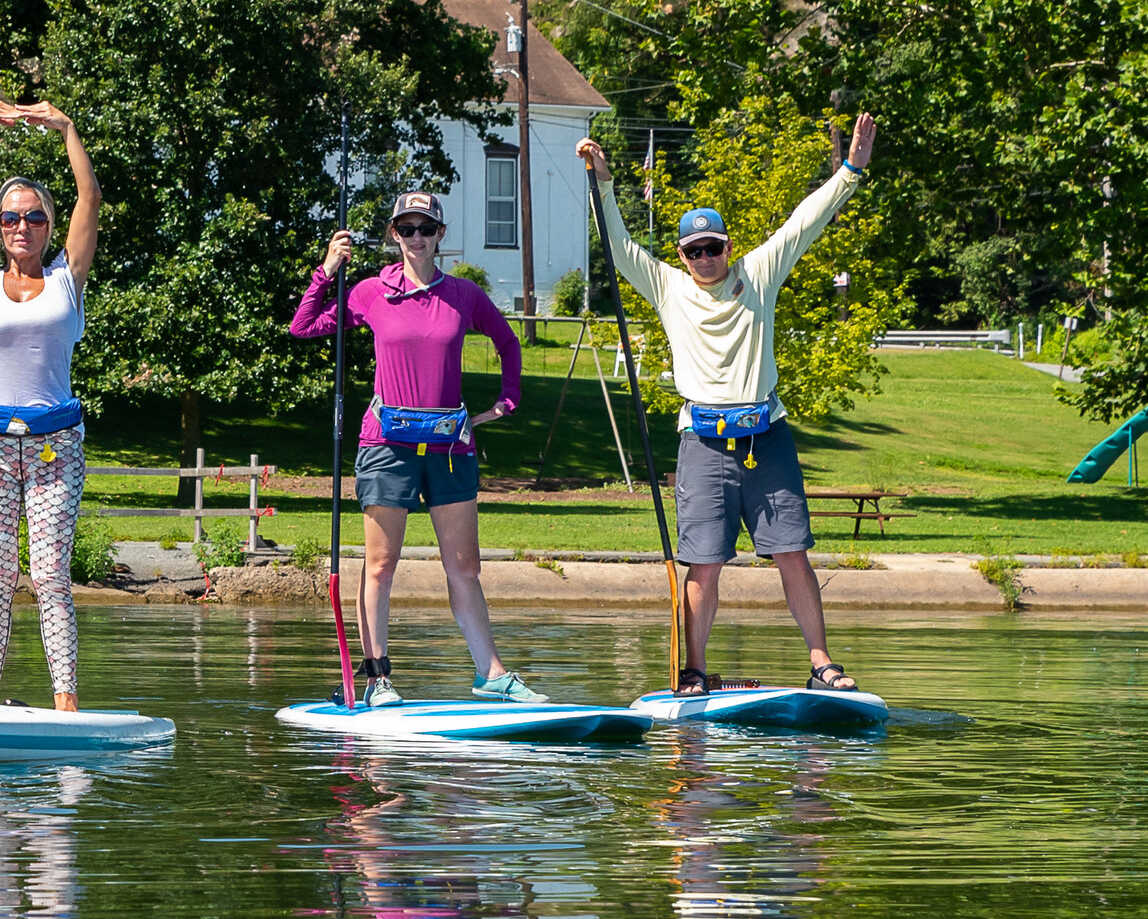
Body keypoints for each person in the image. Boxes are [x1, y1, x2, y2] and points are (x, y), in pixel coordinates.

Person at [577, 111, 878, 695]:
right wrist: (605, 183)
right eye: (694, 251)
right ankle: (693, 671)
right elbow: (617, 244)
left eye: (713, 247)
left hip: (767, 438)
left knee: (791, 552)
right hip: (703, 445)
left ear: (728, 247)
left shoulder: (757, 274)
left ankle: (822, 665)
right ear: (683, 254)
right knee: (705, 563)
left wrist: (849, 172)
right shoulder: (666, 285)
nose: (705, 259)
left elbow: (802, 224)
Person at [291, 190, 539, 706]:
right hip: (387, 446)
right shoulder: (369, 292)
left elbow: (508, 342)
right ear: (394, 235)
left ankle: (492, 675)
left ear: (440, 235)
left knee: (465, 566)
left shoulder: (464, 295)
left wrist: (506, 403)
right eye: (407, 228)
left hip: (451, 448)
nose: (417, 237)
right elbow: (305, 326)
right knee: (381, 565)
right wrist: (326, 269)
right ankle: (378, 676)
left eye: (426, 228)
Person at [0, 101, 100, 711]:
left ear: (47, 226)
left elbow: (89, 200)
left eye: (34, 217)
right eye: (10, 217)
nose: (22, 225)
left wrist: (67, 129)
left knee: (53, 578)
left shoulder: (66, 279)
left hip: (54, 446)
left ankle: (65, 702)